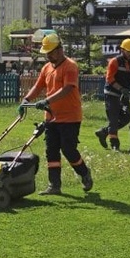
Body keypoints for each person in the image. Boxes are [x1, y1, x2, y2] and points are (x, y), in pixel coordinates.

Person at [22, 32, 93, 195]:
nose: (48, 56)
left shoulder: (70, 66)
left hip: (70, 117)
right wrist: (26, 99)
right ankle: (54, 185)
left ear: (60, 49)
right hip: (51, 116)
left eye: (50, 52)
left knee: (68, 149)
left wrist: (47, 101)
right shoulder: (46, 68)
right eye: (46, 53)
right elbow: (38, 86)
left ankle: (84, 173)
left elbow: (68, 88)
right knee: (51, 150)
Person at [95, 38, 130, 151]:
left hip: (123, 95)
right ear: (122, 50)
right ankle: (114, 144)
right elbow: (109, 78)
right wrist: (121, 88)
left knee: (126, 118)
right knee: (114, 119)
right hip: (111, 93)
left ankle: (104, 132)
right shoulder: (114, 62)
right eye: (128, 51)